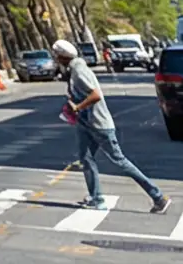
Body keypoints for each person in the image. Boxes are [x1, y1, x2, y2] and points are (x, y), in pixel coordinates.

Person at [54, 39, 169, 214]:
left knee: (120, 161)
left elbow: (95, 95)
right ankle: (96, 198)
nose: (55, 59)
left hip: (98, 124)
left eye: (56, 56)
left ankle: (158, 196)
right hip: (86, 123)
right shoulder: (73, 69)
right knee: (86, 159)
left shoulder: (79, 70)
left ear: (62, 56)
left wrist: (77, 107)